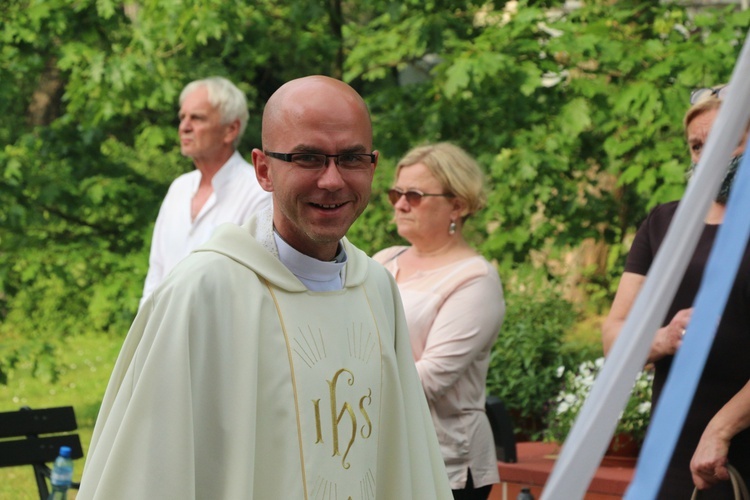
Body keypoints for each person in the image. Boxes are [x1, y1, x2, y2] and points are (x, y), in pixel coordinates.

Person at [78, 75, 452, 499]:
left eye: (350, 159)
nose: (332, 181)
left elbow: (405, 462)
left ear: (372, 165)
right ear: (263, 169)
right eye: (308, 158)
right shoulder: (204, 294)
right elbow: (150, 471)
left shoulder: (377, 291)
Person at [602, 84, 750, 498]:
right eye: (697, 146)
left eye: (726, 143)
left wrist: (720, 431)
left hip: (729, 441)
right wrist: (663, 339)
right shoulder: (665, 224)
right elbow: (615, 337)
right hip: (674, 451)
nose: (708, 157)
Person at [373, 142, 505, 499]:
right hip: (380, 454)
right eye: (396, 193)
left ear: (457, 205)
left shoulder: (475, 280)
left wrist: (348, 382)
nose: (400, 204)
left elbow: (430, 377)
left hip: (444, 464)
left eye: (414, 195)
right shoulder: (384, 261)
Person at [140, 76, 271, 306]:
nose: (184, 126)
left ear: (230, 130)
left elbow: (253, 286)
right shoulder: (178, 189)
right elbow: (156, 273)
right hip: (163, 333)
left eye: (197, 118)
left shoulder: (258, 192)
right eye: (182, 117)